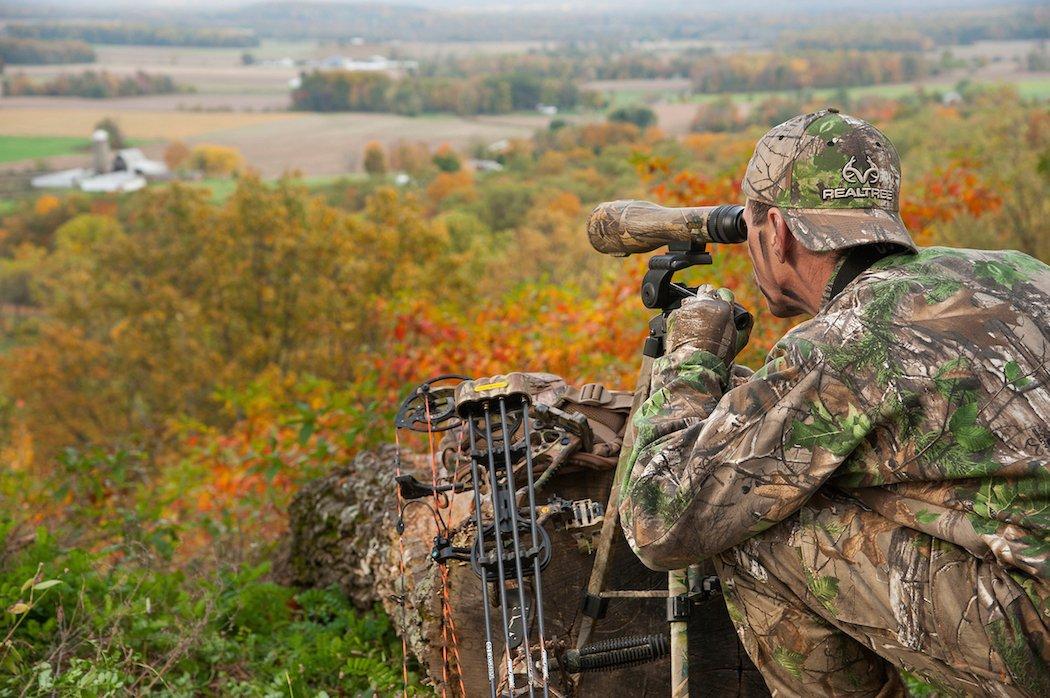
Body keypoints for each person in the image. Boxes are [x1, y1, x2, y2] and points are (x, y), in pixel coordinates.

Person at [618, 108, 1049, 696]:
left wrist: (692, 355)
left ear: (776, 231)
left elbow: (661, 518)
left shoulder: (848, 338)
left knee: (751, 519)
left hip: (1036, 629)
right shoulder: (1015, 272)